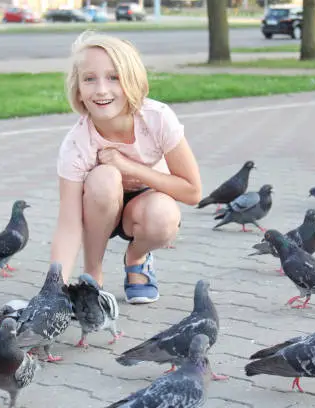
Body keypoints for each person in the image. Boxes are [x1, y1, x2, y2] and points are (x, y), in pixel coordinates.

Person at [50, 30, 202, 305]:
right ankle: (93, 273)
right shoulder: (76, 143)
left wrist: (129, 167)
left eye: (114, 77)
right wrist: (52, 291)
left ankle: (137, 257)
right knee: (105, 178)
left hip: (145, 205)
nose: (101, 90)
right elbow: (68, 224)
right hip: (98, 209)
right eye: (89, 79)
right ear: (78, 90)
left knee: (163, 215)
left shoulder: (157, 118)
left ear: (132, 80)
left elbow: (192, 192)